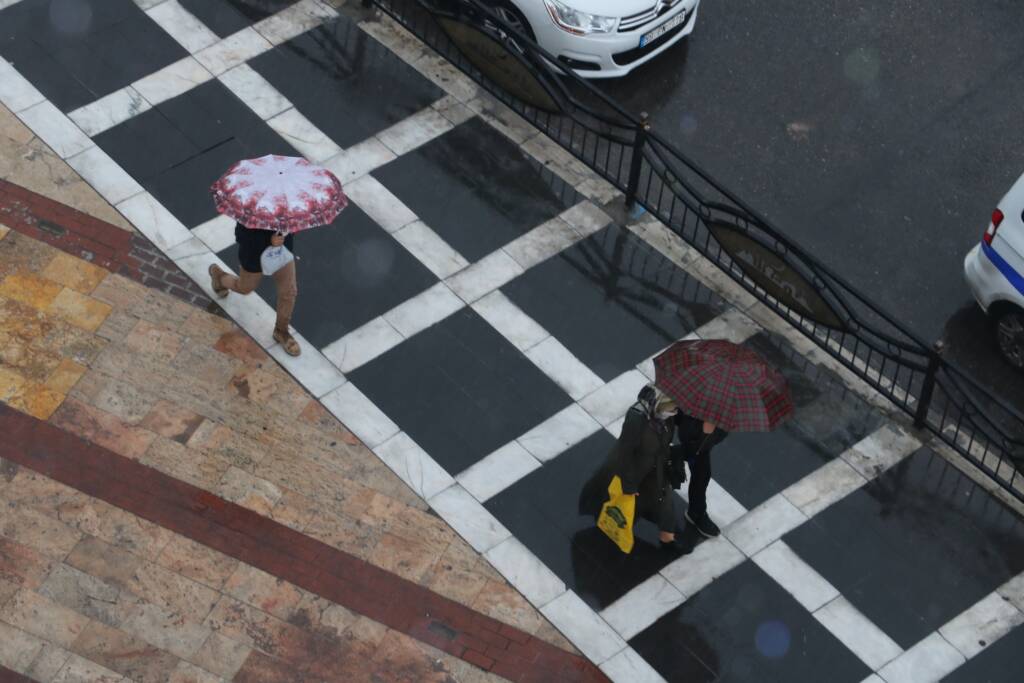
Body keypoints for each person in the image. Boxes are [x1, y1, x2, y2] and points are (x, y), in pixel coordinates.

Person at [582, 384, 682, 550]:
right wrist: (629, 485)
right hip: (634, 470)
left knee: (665, 499)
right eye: (671, 408)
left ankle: (667, 538)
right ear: (659, 403)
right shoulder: (636, 418)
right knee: (625, 509)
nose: (673, 412)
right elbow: (625, 452)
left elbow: (664, 441)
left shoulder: (665, 417)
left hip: (655, 467)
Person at [208, 223, 300, 356]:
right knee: (245, 288)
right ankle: (219, 278)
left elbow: (295, 223)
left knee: (289, 291)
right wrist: (269, 241)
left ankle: (281, 330)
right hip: (255, 255)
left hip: (282, 251)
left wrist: (289, 232)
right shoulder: (251, 208)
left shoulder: (287, 203)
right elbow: (241, 235)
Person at [671, 412, 729, 538]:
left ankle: (696, 512)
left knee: (702, 476)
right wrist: (703, 433)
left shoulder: (727, 414)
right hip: (694, 438)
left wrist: (708, 434)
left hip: (701, 443)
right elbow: (685, 430)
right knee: (700, 474)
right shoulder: (707, 408)